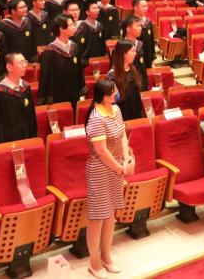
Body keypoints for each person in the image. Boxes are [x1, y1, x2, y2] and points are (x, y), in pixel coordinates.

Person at [85, 78, 131, 278]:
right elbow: (101, 151)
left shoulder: (116, 110)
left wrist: (126, 158)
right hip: (100, 171)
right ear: (104, 96)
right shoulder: (96, 118)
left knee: (110, 214)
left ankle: (106, 255)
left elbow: (122, 135)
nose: (117, 93)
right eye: (113, 91)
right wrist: (119, 168)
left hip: (116, 168)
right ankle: (94, 262)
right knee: (98, 217)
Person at [0, 53, 38, 145]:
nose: (25, 65)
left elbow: (32, 118)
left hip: (26, 140)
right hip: (7, 143)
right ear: (9, 67)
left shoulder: (25, 88)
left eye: (25, 62)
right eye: (21, 62)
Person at [38, 15, 82, 106]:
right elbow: (45, 76)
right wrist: (44, 96)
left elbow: (79, 69)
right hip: (58, 95)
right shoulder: (50, 51)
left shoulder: (74, 46)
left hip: (74, 92)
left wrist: (81, 87)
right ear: (61, 29)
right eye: (71, 25)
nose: (74, 27)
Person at [109, 38, 146, 120]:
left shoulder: (133, 69)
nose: (135, 54)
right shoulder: (112, 75)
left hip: (135, 112)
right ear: (123, 54)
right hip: (121, 115)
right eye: (132, 51)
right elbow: (113, 101)